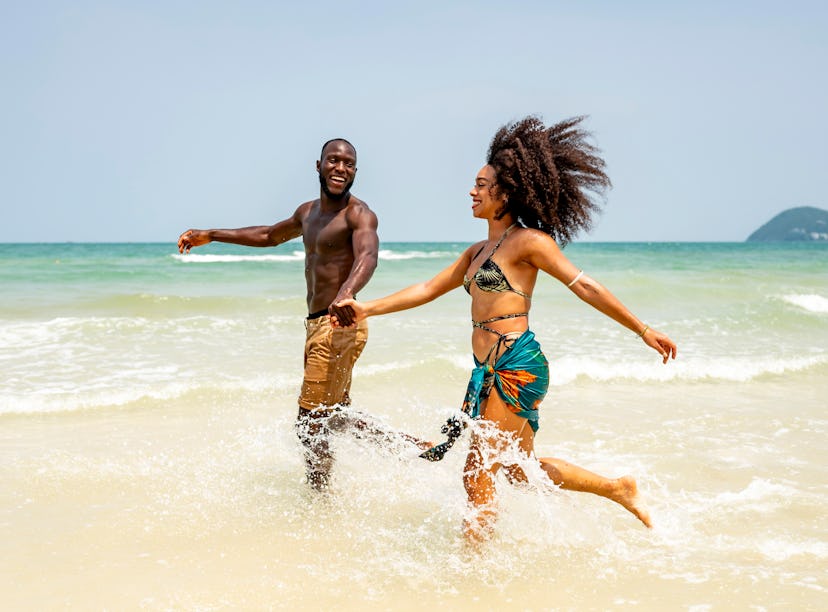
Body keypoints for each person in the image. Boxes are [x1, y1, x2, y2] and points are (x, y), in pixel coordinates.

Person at [333, 117, 677, 543]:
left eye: (482, 185)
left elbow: (584, 285)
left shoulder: (528, 242)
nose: (472, 192)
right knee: (518, 470)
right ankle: (617, 489)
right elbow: (426, 289)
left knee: (477, 469)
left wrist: (642, 329)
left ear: (506, 193)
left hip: (517, 364)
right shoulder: (476, 252)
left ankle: (474, 567)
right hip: (488, 371)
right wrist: (365, 308)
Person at [177, 138, 429, 491]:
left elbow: (367, 257)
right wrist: (212, 235)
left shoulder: (359, 214)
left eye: (349, 164)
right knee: (333, 416)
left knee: (308, 421)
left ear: (355, 171)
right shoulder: (307, 213)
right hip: (317, 325)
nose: (340, 168)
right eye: (334, 160)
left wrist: (346, 293)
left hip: (339, 323)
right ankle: (411, 447)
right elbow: (269, 235)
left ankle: (318, 497)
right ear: (319, 165)